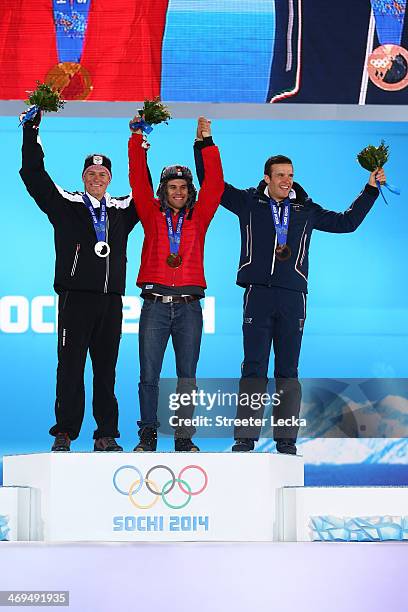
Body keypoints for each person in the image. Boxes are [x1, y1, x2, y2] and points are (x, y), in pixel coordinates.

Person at [195, 130, 385, 453]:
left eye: (291, 175)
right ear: (266, 177)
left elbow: (347, 222)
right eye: (280, 175)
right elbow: (211, 185)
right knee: (254, 366)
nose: (286, 180)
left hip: (293, 297)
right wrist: (204, 144)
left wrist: (370, 189)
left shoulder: (305, 211)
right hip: (257, 293)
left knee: (288, 369)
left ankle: (285, 439)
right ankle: (245, 436)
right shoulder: (248, 203)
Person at [19, 109, 139, 452]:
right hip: (75, 298)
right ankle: (65, 431)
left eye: (102, 173)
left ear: (110, 178)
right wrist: (31, 130)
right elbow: (33, 174)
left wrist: (139, 141)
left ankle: (105, 434)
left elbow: (144, 191)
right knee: (70, 367)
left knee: (106, 370)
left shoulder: (123, 209)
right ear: (83, 177)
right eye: (91, 172)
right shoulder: (66, 204)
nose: (96, 178)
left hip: (110, 300)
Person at [128, 117, 224, 452]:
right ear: (163, 191)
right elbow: (138, 178)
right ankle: (148, 434)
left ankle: (184, 438)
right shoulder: (150, 213)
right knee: (149, 377)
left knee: (186, 377)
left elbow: (216, 185)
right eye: (172, 187)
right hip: (154, 304)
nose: (179, 192)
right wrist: (137, 137)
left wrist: (207, 142)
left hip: (189, 308)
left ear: (190, 191)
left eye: (184, 187)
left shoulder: (200, 216)